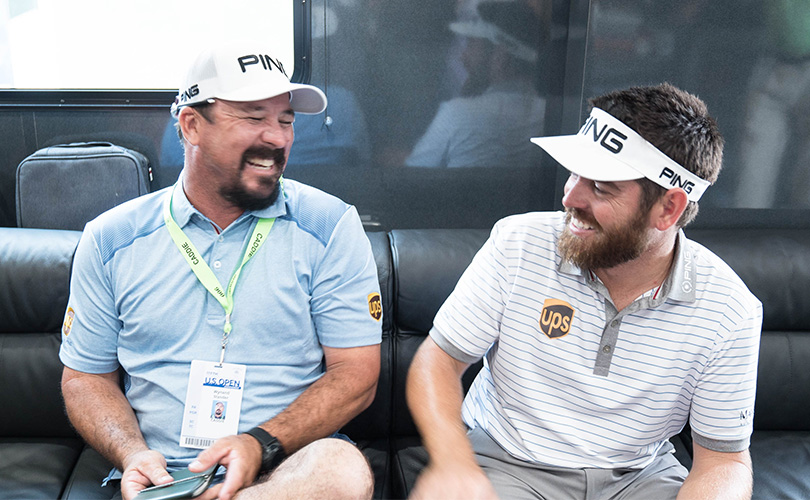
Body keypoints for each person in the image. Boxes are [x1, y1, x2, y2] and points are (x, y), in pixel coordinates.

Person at [59, 40, 382, 500]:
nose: (277, 137)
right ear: (191, 125)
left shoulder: (329, 226)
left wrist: (260, 443)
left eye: (285, 120)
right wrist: (131, 453)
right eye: (254, 117)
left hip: (286, 467)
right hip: (165, 478)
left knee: (341, 469)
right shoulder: (112, 239)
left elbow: (356, 374)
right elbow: (84, 378)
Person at [406, 83, 761, 499]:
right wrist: (452, 462)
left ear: (668, 209)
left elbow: (724, 462)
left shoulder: (730, 309)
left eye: (601, 187)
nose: (569, 197)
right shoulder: (519, 243)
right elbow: (438, 361)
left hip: (639, 478)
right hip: (509, 462)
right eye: (575, 173)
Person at [404, 0, 546, 168]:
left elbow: (412, 176)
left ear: (500, 57)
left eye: (472, 44)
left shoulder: (457, 114)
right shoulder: (547, 115)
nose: (463, 57)